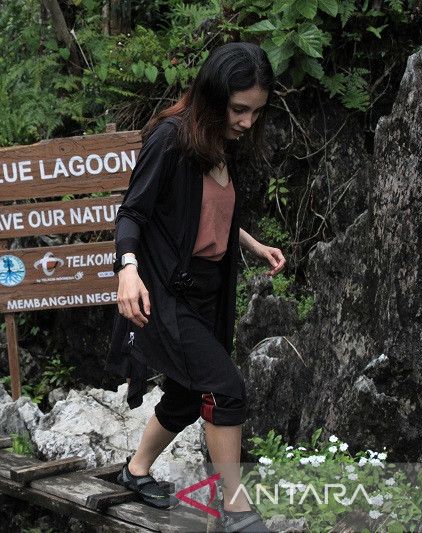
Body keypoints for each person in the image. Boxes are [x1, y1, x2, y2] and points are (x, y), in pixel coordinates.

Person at [109, 42, 284, 532]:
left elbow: (210, 211)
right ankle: (236, 508)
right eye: (239, 109)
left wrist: (251, 244)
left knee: (188, 395)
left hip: (211, 288)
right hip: (168, 291)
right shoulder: (170, 139)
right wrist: (127, 268)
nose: (248, 122)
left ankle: (135, 470)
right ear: (212, 96)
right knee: (226, 388)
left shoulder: (224, 139)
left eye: (256, 111)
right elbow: (133, 212)